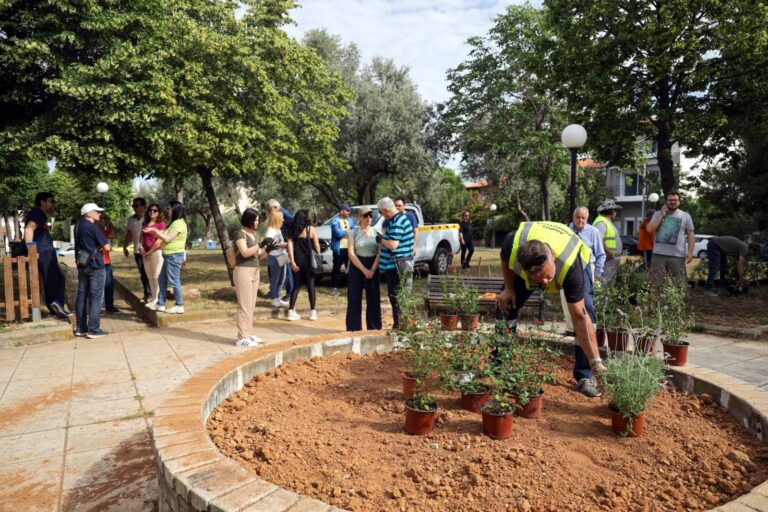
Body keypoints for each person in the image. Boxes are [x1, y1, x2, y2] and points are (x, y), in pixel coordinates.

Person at [497, 221, 604, 397]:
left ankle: (586, 374)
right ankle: (499, 363)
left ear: (552, 256)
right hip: (532, 254)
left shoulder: (570, 263)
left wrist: (596, 361)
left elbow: (579, 317)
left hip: (574, 262)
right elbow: (504, 257)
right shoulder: (512, 246)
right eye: (538, 279)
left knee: (586, 312)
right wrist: (508, 289)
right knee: (505, 304)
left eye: (546, 276)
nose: (545, 283)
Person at [23, 192, 71, 318]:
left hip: (44, 250)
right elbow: (29, 229)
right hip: (43, 251)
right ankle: (56, 304)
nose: (54, 204)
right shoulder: (38, 213)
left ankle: (54, 308)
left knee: (53, 278)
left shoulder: (40, 215)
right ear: (42, 202)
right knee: (56, 278)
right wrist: (31, 249)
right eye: (51, 201)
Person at [561, 206, 606, 335]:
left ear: (587, 218)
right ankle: (571, 329)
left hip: (586, 268)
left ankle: (591, 328)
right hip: (568, 267)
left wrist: (596, 273)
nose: (580, 220)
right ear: (573, 217)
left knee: (587, 300)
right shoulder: (565, 230)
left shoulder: (593, 231)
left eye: (583, 218)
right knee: (566, 298)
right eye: (578, 217)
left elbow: (601, 254)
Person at [377, 197, 415, 329]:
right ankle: (400, 325)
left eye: (381, 212)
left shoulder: (397, 222)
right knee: (398, 297)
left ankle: (400, 327)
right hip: (398, 265)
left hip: (398, 266)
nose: (382, 216)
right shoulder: (396, 220)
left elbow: (393, 245)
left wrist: (381, 240)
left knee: (397, 297)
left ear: (386, 210)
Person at [233, 208, 269, 347]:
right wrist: (260, 245)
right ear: (248, 219)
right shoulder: (240, 234)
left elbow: (258, 256)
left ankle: (248, 333)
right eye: (255, 219)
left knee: (251, 305)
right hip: (243, 271)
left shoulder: (254, 235)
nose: (257, 222)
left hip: (255, 271)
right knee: (244, 305)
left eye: (258, 219)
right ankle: (241, 338)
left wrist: (267, 249)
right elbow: (245, 252)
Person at [74, 203, 110, 338]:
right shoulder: (93, 227)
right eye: (97, 211)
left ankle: (80, 328)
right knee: (95, 297)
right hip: (95, 265)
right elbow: (106, 247)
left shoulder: (78, 226)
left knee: (82, 295)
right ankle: (93, 330)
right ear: (89, 213)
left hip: (82, 264)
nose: (100, 214)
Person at [145, 201, 187, 314]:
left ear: (175, 209)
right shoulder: (173, 223)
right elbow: (162, 234)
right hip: (168, 255)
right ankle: (160, 303)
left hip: (174, 256)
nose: (167, 210)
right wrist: (154, 231)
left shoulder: (178, 223)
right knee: (161, 279)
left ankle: (179, 305)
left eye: (169, 208)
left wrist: (154, 231)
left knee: (174, 280)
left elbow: (167, 238)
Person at [646, 190, 695, 287]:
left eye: (675, 200)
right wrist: (661, 215)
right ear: (666, 201)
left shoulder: (685, 216)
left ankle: (681, 303)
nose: (672, 202)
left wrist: (690, 253)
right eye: (670, 200)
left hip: (677, 256)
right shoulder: (657, 214)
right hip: (658, 255)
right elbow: (649, 229)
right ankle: (656, 303)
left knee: (680, 286)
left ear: (679, 202)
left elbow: (691, 235)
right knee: (656, 285)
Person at [346, 206, 382, 331]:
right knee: (354, 298)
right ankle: (353, 328)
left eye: (370, 215)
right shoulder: (353, 232)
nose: (369, 218)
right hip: (357, 265)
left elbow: (379, 253)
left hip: (373, 264)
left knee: (373, 299)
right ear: (359, 217)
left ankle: (374, 327)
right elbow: (351, 253)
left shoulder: (377, 232)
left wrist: (372, 269)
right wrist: (363, 270)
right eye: (366, 215)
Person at [286, 209, 321, 321]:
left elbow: (290, 248)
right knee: (311, 287)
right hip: (309, 262)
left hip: (297, 262)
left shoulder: (291, 231)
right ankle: (313, 312)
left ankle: (291, 311)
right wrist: (318, 257)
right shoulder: (311, 229)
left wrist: (292, 262)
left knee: (296, 287)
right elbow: (317, 246)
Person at [122, 197, 152, 301]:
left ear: (144, 206)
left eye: (136, 205)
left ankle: (155, 294)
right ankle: (147, 294)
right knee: (143, 273)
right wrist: (124, 246)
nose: (134, 208)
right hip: (137, 251)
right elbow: (129, 234)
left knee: (151, 273)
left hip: (150, 250)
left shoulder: (150, 217)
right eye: (133, 206)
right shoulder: (131, 219)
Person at [265, 199, 294, 302]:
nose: (269, 212)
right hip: (278, 252)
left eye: (269, 209)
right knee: (277, 276)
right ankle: (275, 295)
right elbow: (270, 243)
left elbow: (293, 223)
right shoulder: (273, 228)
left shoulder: (284, 214)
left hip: (282, 252)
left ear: (274, 207)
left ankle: (288, 293)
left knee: (284, 275)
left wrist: (288, 240)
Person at [141, 203, 166, 305]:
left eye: (155, 210)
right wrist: (141, 247)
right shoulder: (145, 223)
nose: (152, 212)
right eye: (150, 210)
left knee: (156, 276)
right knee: (149, 276)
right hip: (145, 253)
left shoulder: (161, 224)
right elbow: (141, 237)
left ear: (159, 212)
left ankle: (158, 299)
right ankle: (154, 297)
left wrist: (149, 252)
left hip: (156, 252)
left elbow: (159, 240)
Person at [593, 200, 623, 282]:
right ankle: (602, 295)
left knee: (609, 282)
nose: (616, 213)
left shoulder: (606, 221)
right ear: (612, 211)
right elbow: (598, 238)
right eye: (615, 210)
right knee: (604, 282)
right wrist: (607, 253)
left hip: (610, 259)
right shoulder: (601, 222)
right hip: (607, 259)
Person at [329, 204, 355, 296]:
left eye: (349, 210)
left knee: (351, 268)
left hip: (349, 248)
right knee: (336, 269)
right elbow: (338, 234)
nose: (349, 212)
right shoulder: (335, 221)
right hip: (339, 249)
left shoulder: (351, 220)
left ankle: (351, 287)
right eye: (347, 210)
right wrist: (349, 233)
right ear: (341, 211)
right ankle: (334, 288)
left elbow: (354, 232)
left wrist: (347, 234)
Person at [100, 214, 119, 313]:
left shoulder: (103, 231)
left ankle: (109, 306)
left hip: (106, 262)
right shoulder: (94, 230)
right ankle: (97, 308)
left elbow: (114, 235)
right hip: (98, 262)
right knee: (98, 286)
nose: (102, 221)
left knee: (109, 285)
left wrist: (110, 223)